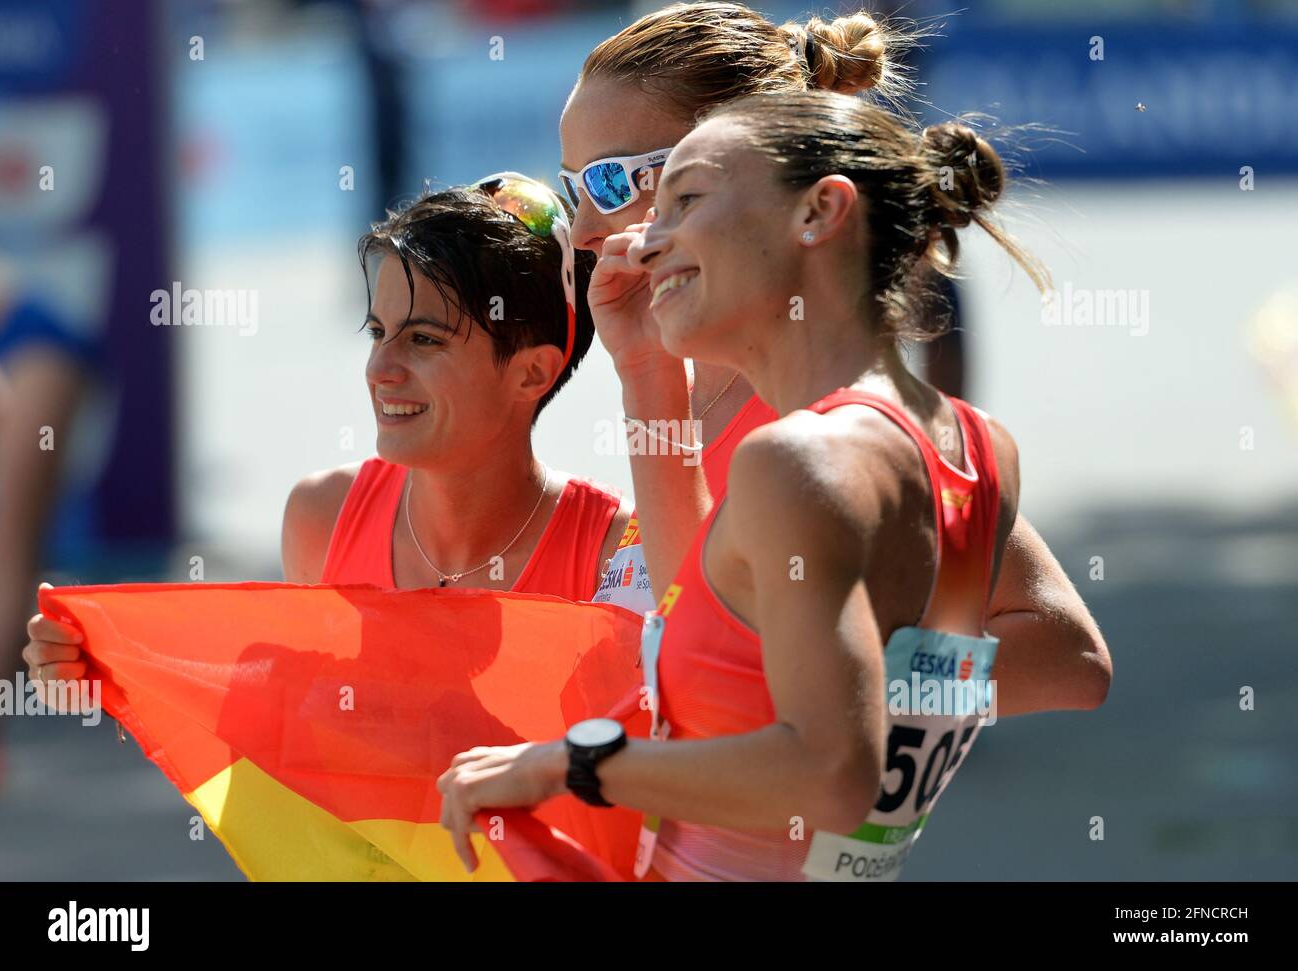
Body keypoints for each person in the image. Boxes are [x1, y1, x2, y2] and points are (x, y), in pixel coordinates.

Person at [438, 90, 1052, 881]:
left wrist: (572, 762)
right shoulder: (972, 442)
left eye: (680, 200)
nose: (644, 242)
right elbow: (1072, 658)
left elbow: (831, 775)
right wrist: (863, 687)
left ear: (819, 212)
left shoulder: (791, 461)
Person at [566, 1, 1110, 716]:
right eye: (572, 187)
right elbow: (692, 635)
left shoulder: (817, 424)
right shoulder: (695, 389)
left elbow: (1067, 656)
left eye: (610, 183)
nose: (580, 230)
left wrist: (851, 686)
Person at [23, 175, 633, 699]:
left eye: (424, 339)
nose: (381, 369)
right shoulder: (321, 518)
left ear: (533, 371)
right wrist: (118, 668)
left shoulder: (613, 559)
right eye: (377, 332)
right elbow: (283, 723)